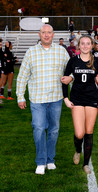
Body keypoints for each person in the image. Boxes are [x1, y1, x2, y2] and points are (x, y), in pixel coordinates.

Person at [16, 24, 70, 175]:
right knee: (39, 128)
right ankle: (41, 161)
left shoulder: (62, 52)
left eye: (49, 33)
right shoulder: (31, 52)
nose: (46, 35)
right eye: (43, 32)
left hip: (55, 98)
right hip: (37, 99)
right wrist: (20, 97)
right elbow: (22, 77)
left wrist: (70, 79)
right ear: (39, 34)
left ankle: (50, 159)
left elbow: (71, 71)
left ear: (53, 35)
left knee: (53, 130)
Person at [61, 35, 98, 174]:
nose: (85, 46)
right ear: (78, 46)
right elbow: (65, 80)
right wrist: (65, 98)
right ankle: (77, 150)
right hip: (77, 99)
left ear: (92, 45)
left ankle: (86, 164)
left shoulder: (97, 62)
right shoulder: (73, 61)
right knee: (79, 133)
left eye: (88, 43)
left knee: (89, 132)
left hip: (92, 99)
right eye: (83, 43)